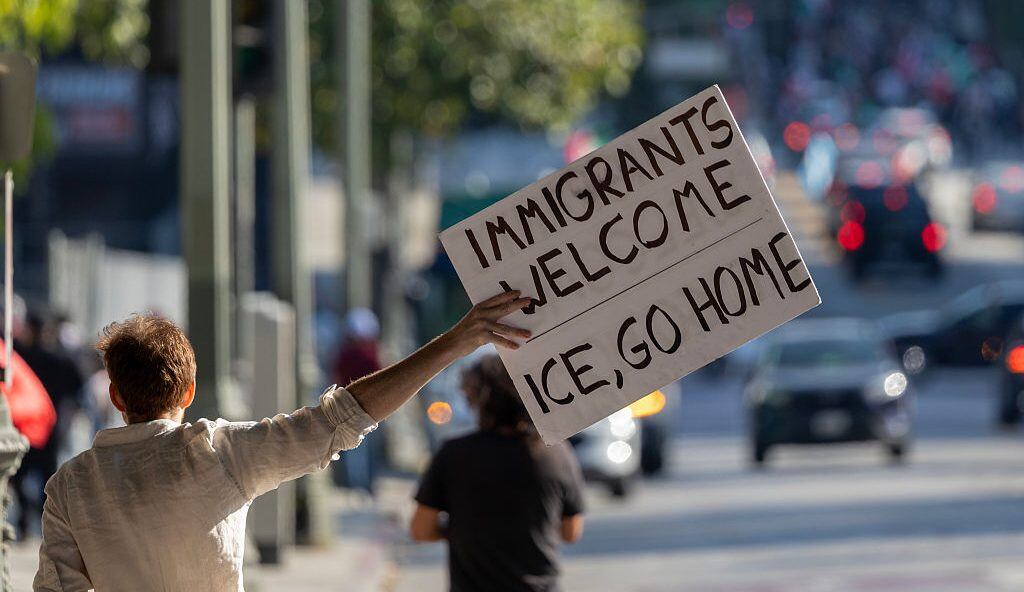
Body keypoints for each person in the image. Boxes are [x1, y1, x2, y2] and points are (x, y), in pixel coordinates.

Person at [34, 290, 531, 591]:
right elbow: (342, 418)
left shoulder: (69, 488)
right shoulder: (216, 453)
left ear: (115, 396)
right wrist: (458, 340)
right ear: (189, 390)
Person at [410, 354, 586, 592]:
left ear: (476, 399)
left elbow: (421, 530)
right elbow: (571, 532)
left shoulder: (454, 454)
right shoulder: (555, 454)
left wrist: (461, 529)